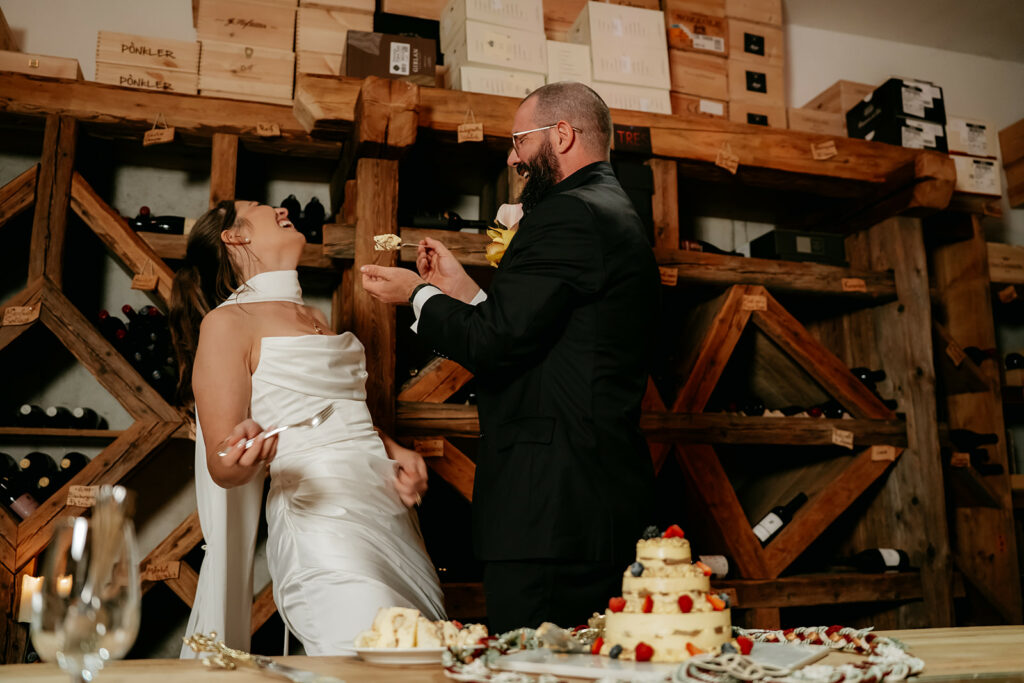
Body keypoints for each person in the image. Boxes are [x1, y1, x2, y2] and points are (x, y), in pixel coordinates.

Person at [361, 82, 659, 633]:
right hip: (591, 500)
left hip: (551, 510)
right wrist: (462, 290)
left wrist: (416, 295)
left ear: (562, 135)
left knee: (534, 667)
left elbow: (496, 343)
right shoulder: (612, 209)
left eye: (519, 140)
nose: (512, 156)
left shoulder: (567, 214)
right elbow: (535, 336)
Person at [169, 200, 445, 657]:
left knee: (424, 656)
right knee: (370, 656)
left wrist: (395, 450)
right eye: (259, 207)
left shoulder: (314, 317)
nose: (280, 207)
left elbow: (339, 410)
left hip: (387, 516)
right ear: (234, 237)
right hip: (320, 523)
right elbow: (222, 463)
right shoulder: (226, 324)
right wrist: (242, 458)